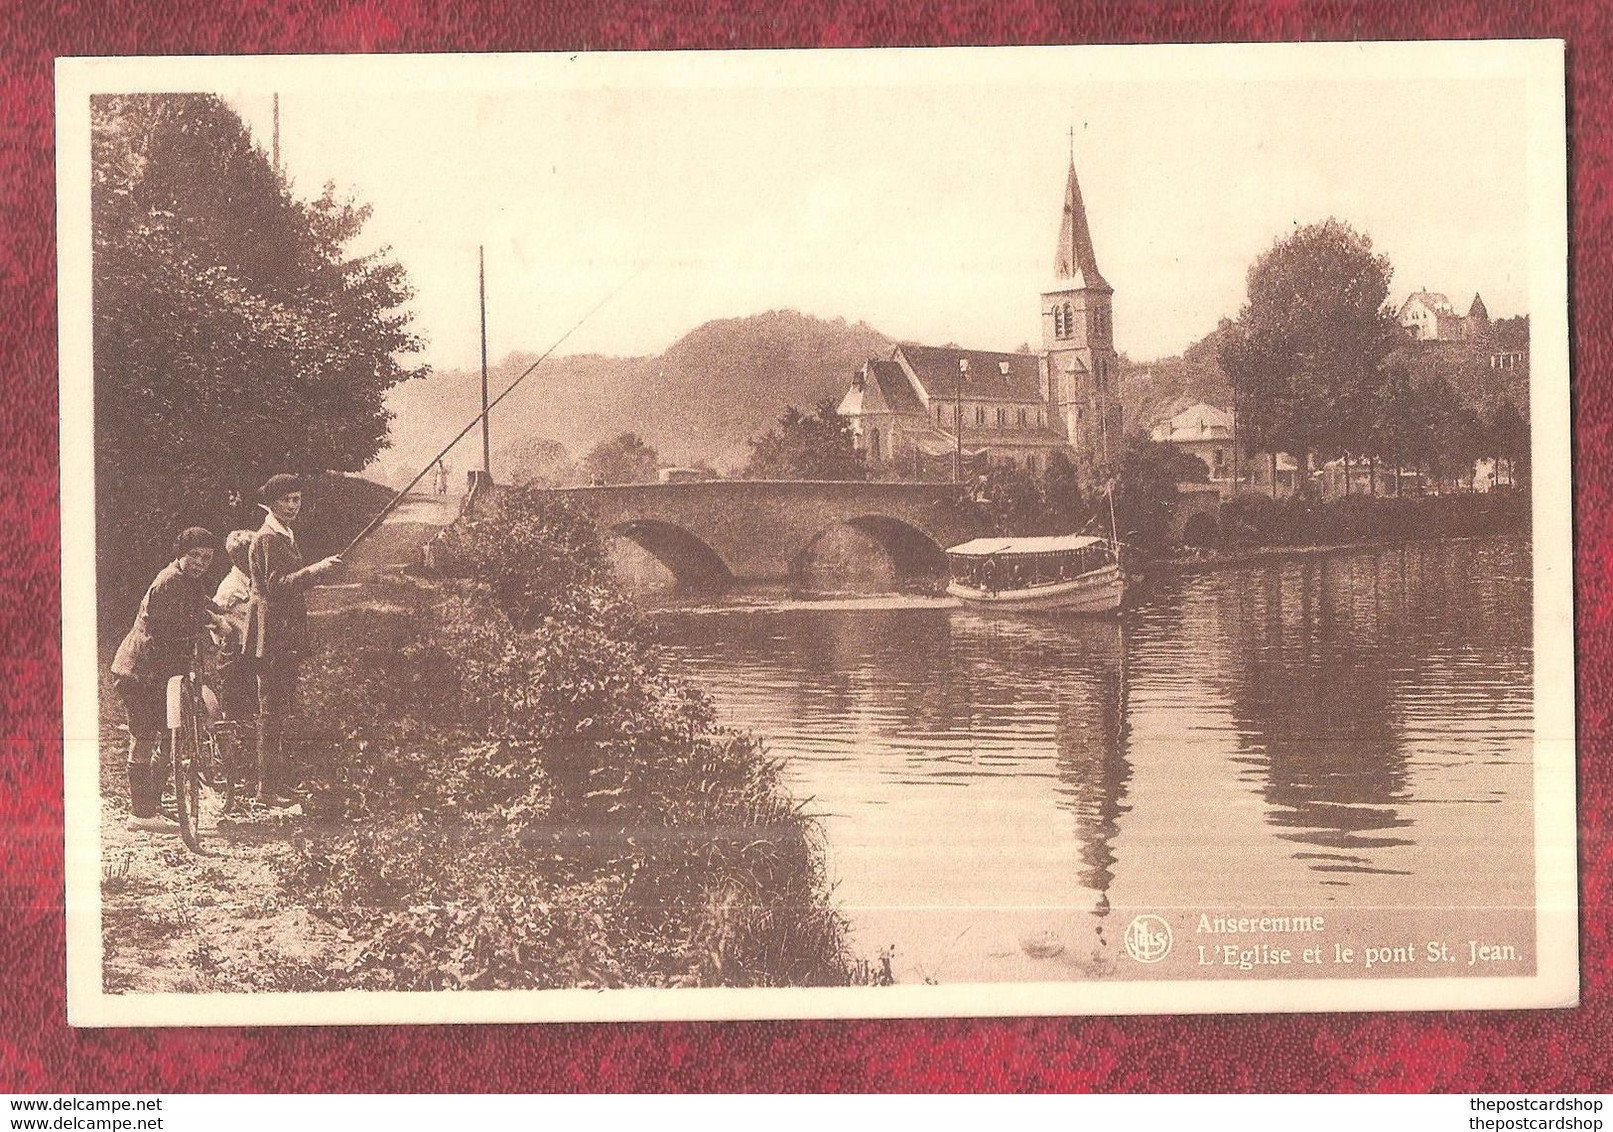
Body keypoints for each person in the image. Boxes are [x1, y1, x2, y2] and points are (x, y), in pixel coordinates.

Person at [109, 527, 224, 832]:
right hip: (139, 672)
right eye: (194, 556)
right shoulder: (170, 580)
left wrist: (219, 615)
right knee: (144, 738)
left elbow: (204, 604)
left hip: (160, 672)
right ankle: (140, 813)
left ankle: (152, 806)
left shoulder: (189, 580)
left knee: (167, 735)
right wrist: (212, 626)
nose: (200, 562)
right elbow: (172, 626)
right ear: (180, 555)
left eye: (207, 558)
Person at [245, 474, 341, 805]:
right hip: (271, 636)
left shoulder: (284, 533)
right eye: (287, 500)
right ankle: (265, 790)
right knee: (271, 711)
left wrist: (319, 573)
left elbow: (289, 584)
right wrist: (315, 571)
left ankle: (276, 783)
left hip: (283, 634)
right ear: (270, 504)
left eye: (297, 499)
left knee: (281, 708)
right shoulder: (268, 538)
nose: (293, 505)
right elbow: (276, 587)